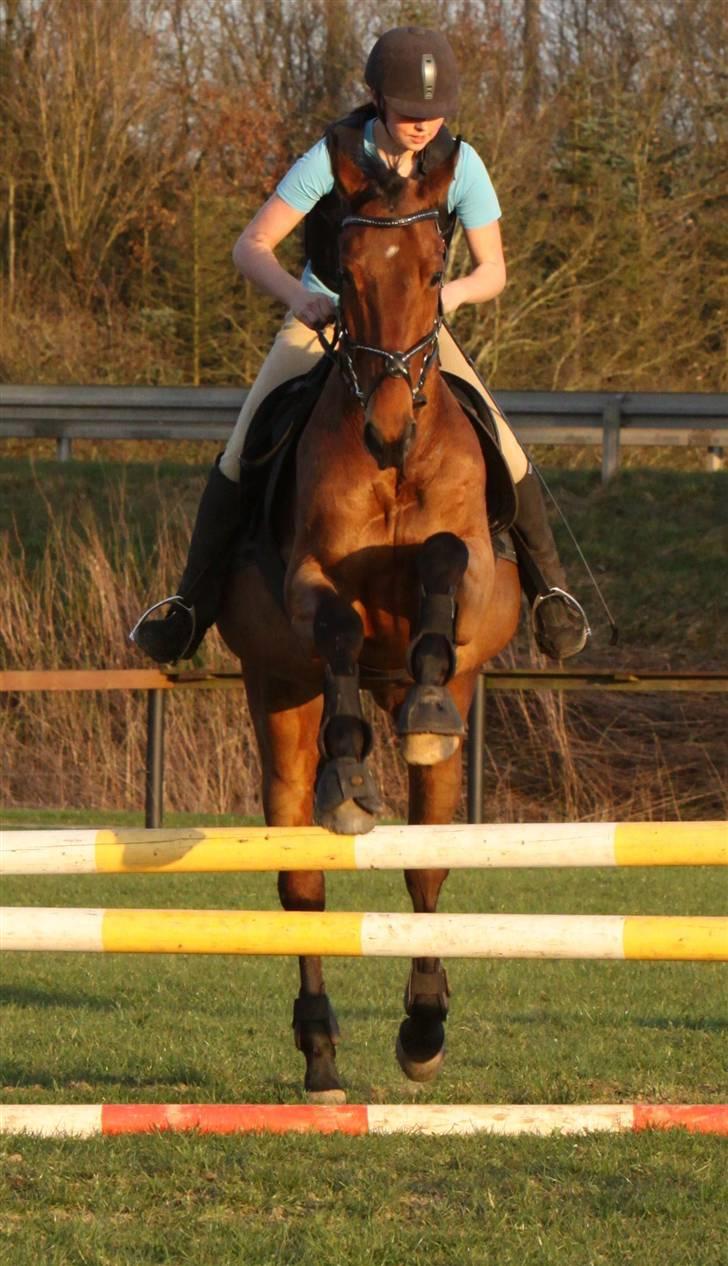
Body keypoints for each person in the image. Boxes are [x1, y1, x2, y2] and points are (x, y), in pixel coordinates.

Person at [131, 26, 589, 664]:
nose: (425, 125)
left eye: (435, 113)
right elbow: (250, 247)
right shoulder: (333, 154)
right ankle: (188, 605)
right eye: (410, 113)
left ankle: (551, 594)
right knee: (243, 445)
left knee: (503, 442)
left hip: (413, 327)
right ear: (376, 99)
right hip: (326, 315)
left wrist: (443, 300)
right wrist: (300, 298)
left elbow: (494, 271)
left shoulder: (462, 163)